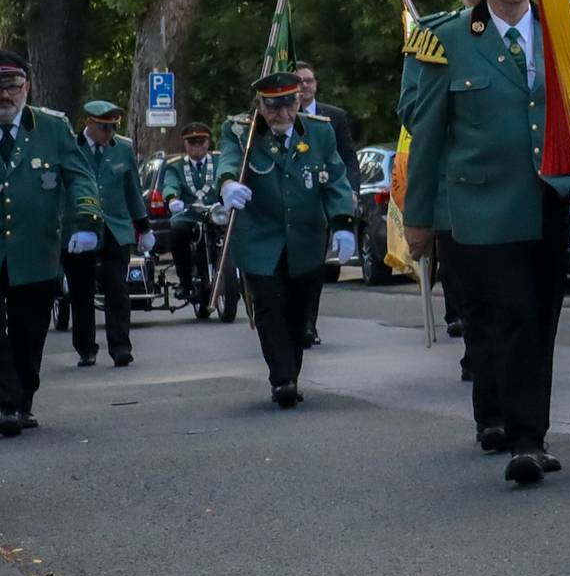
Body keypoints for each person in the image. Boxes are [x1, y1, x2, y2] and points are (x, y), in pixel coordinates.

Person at [400, 0, 570, 485]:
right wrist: (418, 220)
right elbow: (426, 136)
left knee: (541, 319)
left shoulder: (559, 29)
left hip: (548, 199)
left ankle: (531, 431)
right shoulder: (447, 40)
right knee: (511, 316)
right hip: (481, 209)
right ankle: (524, 439)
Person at [215, 73, 355, 407]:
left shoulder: (318, 132)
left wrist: (343, 223)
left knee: (298, 309)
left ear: (299, 101)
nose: (283, 114)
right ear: (260, 106)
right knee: (269, 305)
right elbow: (229, 160)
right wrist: (227, 184)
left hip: (305, 237)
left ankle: (291, 371)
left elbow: (335, 178)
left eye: (289, 105)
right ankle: (283, 379)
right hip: (260, 237)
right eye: (273, 107)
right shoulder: (241, 131)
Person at [0, 50, 102, 436]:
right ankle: (6, 403)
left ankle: (22, 399)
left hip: (36, 248)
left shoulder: (52, 128)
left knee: (29, 330)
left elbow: (80, 177)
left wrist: (86, 221)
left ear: (26, 87)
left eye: (11, 86)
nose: (4, 95)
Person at [61, 101, 147, 368]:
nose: (109, 133)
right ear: (89, 123)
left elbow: (132, 189)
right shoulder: (69, 147)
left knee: (117, 287)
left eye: (113, 128)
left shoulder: (122, 148)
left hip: (114, 228)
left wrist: (143, 226)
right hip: (79, 228)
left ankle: (120, 347)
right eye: (104, 128)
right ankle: (86, 347)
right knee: (81, 289)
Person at [293, 61, 360, 343]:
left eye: (309, 81)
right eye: (299, 82)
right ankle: (293, 320)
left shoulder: (334, 117)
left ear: (316, 84)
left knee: (314, 265)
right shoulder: (280, 116)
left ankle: (309, 324)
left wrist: (350, 191)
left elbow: (348, 158)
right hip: (292, 202)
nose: (305, 86)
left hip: (321, 202)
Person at [157, 122, 222, 310]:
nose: (197, 146)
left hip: (216, 213)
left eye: (201, 142)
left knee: (236, 228)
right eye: (192, 142)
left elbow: (229, 176)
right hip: (189, 214)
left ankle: (240, 275)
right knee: (177, 231)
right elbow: (170, 184)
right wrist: (172, 198)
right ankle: (185, 282)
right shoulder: (175, 166)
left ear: (208, 143)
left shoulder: (219, 162)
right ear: (185, 144)